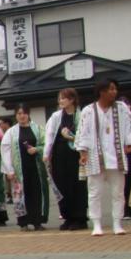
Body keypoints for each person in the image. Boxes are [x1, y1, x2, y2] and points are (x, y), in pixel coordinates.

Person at [76, 79, 131, 236]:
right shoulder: (88, 110)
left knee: (118, 192)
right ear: (101, 91)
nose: (114, 92)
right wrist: (83, 152)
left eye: (115, 89)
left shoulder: (122, 108)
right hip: (95, 156)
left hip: (116, 156)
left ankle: (117, 222)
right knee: (94, 192)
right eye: (110, 89)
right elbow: (83, 132)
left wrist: (130, 141)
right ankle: (97, 223)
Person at [43, 88, 89, 231]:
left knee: (77, 186)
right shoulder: (56, 116)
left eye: (63, 98)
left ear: (72, 99)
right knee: (61, 185)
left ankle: (80, 218)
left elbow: (86, 135)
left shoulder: (81, 115)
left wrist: (71, 137)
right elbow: (49, 135)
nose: (60, 101)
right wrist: (47, 153)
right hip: (59, 155)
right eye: (60, 98)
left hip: (76, 156)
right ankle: (67, 216)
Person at [1, 104, 49, 230]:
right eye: (19, 114)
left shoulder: (38, 129)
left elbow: (47, 145)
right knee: (20, 195)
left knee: (36, 193)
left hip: (36, 168)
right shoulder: (11, 132)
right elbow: (5, 151)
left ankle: (37, 221)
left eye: (24, 113)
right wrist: (9, 170)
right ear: (16, 115)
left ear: (28, 114)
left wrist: (37, 149)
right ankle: (23, 222)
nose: (22, 116)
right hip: (19, 170)